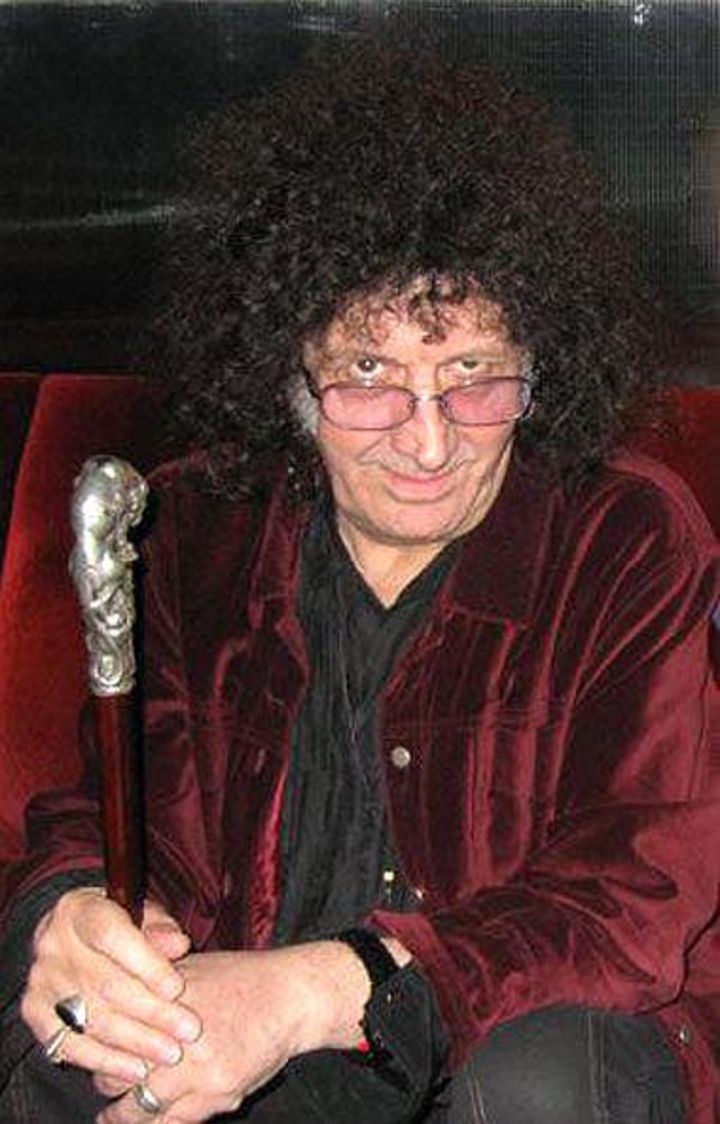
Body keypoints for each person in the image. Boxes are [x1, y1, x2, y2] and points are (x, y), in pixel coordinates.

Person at [0, 40, 718, 1124]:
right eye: (370, 376)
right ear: (292, 377)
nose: (428, 441)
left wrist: (317, 990)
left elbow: (633, 893)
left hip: (495, 1043)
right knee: (70, 1050)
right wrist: (75, 918)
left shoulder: (621, 537)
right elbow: (121, 816)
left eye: (473, 376)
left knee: (542, 1083)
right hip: (243, 1031)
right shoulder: (197, 527)